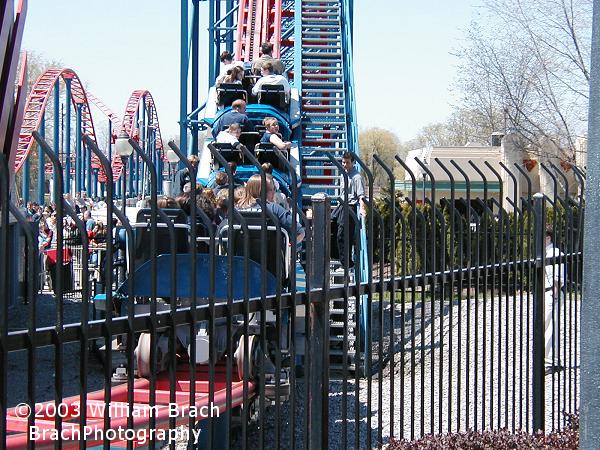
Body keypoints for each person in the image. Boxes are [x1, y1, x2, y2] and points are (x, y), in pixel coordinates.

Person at [332, 152, 366, 270]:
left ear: (353, 163)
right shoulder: (343, 174)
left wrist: (362, 208)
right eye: (343, 162)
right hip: (340, 205)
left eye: (347, 162)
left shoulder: (356, 177)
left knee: (343, 234)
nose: (345, 165)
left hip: (349, 207)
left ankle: (347, 264)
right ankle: (336, 256)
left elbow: (361, 195)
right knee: (331, 226)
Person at [544, 225, 565, 373]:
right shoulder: (547, 253)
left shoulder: (554, 253)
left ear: (548, 238)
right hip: (549, 292)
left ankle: (551, 362)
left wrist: (554, 293)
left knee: (550, 326)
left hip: (552, 292)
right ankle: (553, 360)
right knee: (549, 326)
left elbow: (558, 276)